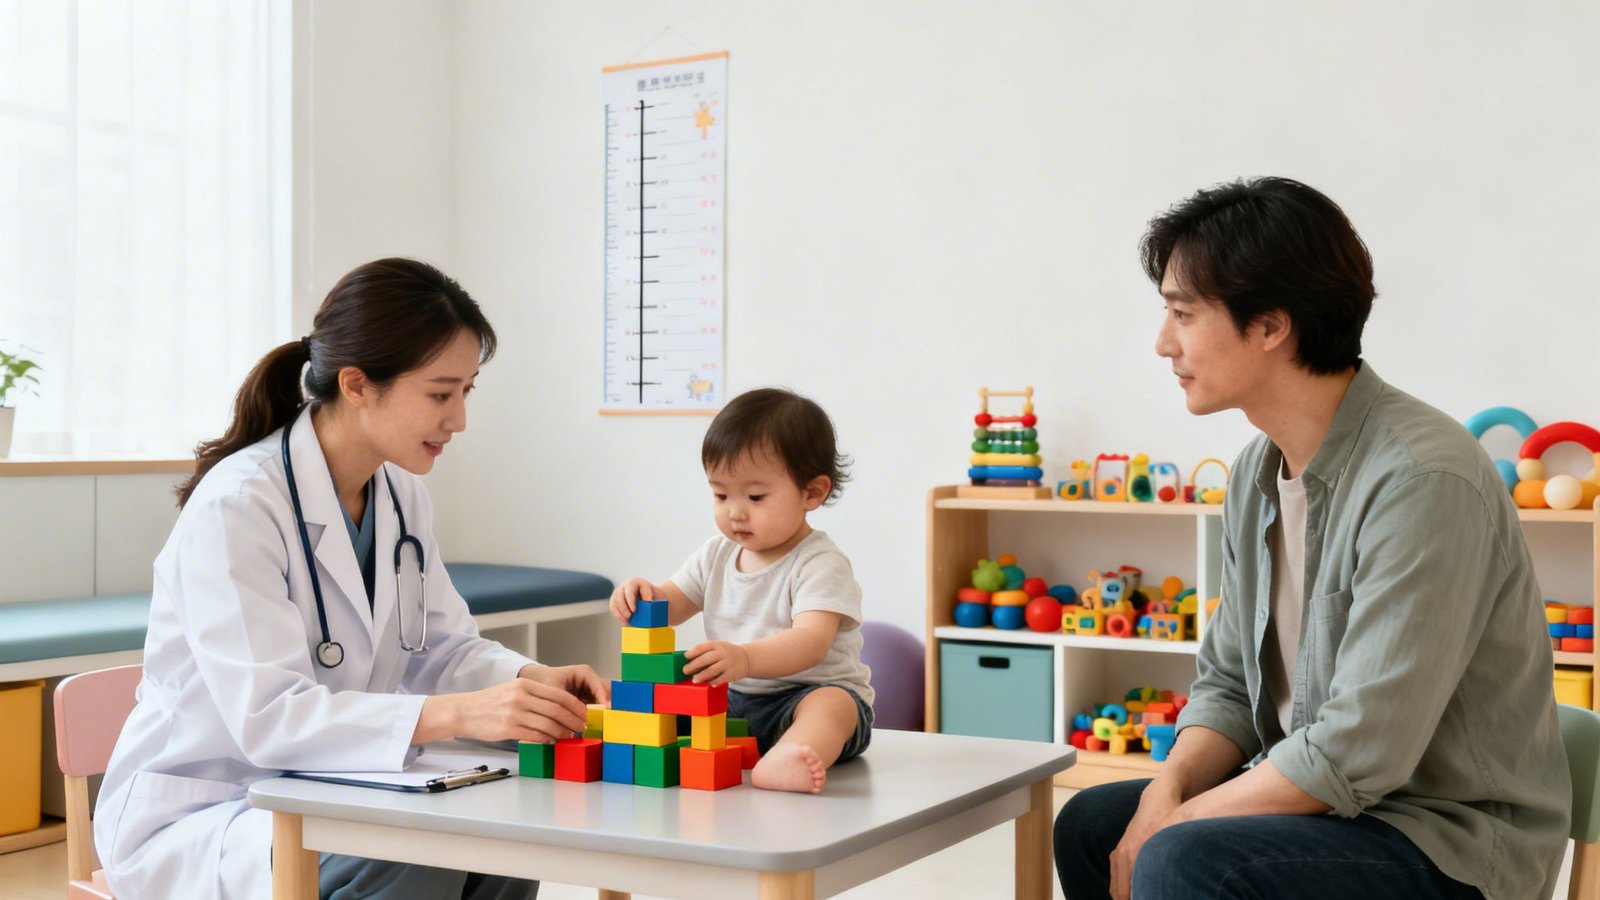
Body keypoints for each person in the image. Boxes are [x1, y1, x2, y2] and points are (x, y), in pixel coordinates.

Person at [1053, 178, 1570, 899]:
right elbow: (1230, 683)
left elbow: (1359, 749)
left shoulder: (1424, 478)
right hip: (1331, 809)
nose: (1163, 341)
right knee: (1093, 823)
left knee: (1181, 858)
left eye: (1182, 313)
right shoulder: (1255, 473)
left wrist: (1175, 827)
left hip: (1444, 837)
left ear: (1270, 325)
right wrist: (1162, 796)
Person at [96, 258, 608, 899]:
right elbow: (270, 718)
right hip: (213, 807)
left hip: (332, 781)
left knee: (510, 834)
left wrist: (530, 682)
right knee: (415, 852)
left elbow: (442, 648)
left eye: (466, 392)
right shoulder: (239, 507)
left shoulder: (399, 494)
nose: (459, 420)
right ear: (359, 384)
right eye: (440, 393)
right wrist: (461, 713)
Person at [608, 387, 874, 794]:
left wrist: (745, 657)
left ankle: (794, 754)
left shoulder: (820, 563)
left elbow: (811, 642)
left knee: (833, 706)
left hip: (802, 697)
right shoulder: (717, 554)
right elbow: (673, 602)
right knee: (663, 699)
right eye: (720, 494)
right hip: (730, 702)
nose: (735, 511)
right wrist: (641, 594)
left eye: (755, 496)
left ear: (812, 492)